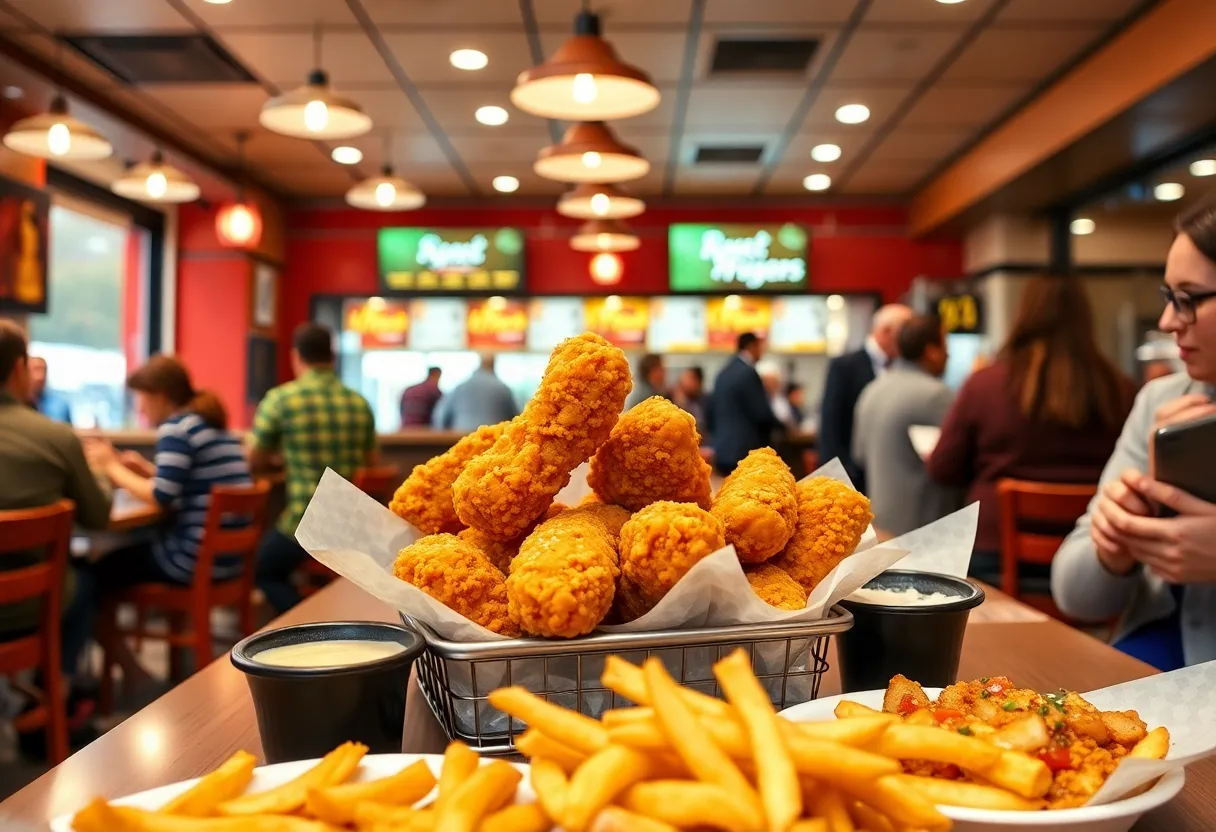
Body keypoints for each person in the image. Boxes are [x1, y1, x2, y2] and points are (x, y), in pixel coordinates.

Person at [1053, 198, 1216, 670]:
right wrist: (1116, 546)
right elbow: (1075, 593)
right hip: (1153, 658)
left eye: (1188, 299)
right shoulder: (1160, 402)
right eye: (1170, 298)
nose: (1166, 322)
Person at [926, 276, 1135, 582]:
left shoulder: (985, 385)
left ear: (1023, 315)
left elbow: (942, 468)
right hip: (1094, 556)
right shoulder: (1122, 390)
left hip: (993, 553)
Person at [84, 355, 252, 683]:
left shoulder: (177, 428)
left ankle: (132, 674)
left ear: (159, 395)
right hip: (230, 563)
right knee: (126, 554)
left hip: (189, 562)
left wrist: (111, 466)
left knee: (92, 579)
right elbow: (183, 485)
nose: (140, 409)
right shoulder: (213, 426)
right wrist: (146, 471)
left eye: (141, 399)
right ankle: (137, 671)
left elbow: (162, 498)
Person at [0, 322, 111, 705]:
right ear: (19, 368)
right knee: (83, 583)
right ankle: (52, 700)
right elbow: (99, 516)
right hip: (24, 606)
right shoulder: (55, 436)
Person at [253, 323, 376, 614]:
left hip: (304, 522)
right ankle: (328, 615)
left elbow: (253, 459)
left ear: (296, 356)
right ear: (332, 357)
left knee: (264, 571)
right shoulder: (359, 403)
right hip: (350, 525)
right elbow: (372, 461)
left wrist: (282, 458)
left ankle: (310, 623)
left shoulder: (281, 399)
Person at [853, 315, 959, 537]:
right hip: (924, 532)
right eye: (945, 345)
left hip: (880, 527)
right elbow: (955, 464)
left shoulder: (871, 390)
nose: (948, 354)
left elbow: (860, 456)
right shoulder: (936, 395)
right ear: (931, 351)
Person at [818, 304, 913, 492]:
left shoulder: (905, 368)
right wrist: (838, 476)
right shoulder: (845, 366)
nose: (911, 340)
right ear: (887, 331)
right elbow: (831, 424)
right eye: (907, 332)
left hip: (893, 478)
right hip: (853, 477)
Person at [706, 333, 778, 475]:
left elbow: (710, 410)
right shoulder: (748, 373)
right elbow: (761, 413)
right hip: (744, 451)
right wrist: (781, 427)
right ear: (751, 346)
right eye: (760, 347)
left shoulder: (722, 373)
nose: (761, 352)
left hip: (722, 450)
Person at [432, 354, 519, 432]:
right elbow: (516, 419)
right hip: (493, 440)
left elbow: (441, 415)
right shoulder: (503, 389)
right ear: (494, 365)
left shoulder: (461, 387)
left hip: (460, 438)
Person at [28, 356, 72, 424]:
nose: (40, 376)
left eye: (43, 370)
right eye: (35, 370)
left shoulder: (60, 404)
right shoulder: (18, 403)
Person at [757, 360, 796, 430]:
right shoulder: (757, 401)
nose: (771, 385)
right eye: (768, 382)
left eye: (774, 382)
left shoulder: (782, 401)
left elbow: (789, 422)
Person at [672, 366, 707, 437]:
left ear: (698, 382)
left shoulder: (707, 401)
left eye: (689, 378)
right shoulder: (674, 400)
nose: (685, 382)